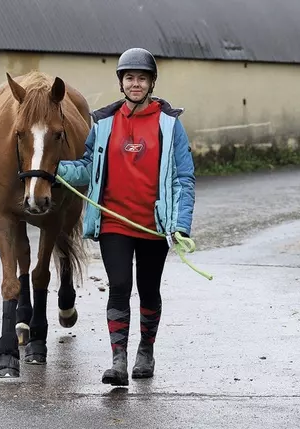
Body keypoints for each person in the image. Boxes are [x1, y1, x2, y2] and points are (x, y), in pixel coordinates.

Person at [57, 47, 195, 386]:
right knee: (119, 286)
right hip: (114, 221)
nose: (136, 83)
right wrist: (52, 169)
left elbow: (183, 178)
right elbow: (88, 167)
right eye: (130, 77)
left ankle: (145, 350)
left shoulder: (169, 125)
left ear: (151, 83)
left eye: (142, 78)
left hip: (153, 224)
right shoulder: (104, 123)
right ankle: (118, 361)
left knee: (148, 290)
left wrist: (180, 223)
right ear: (121, 83)